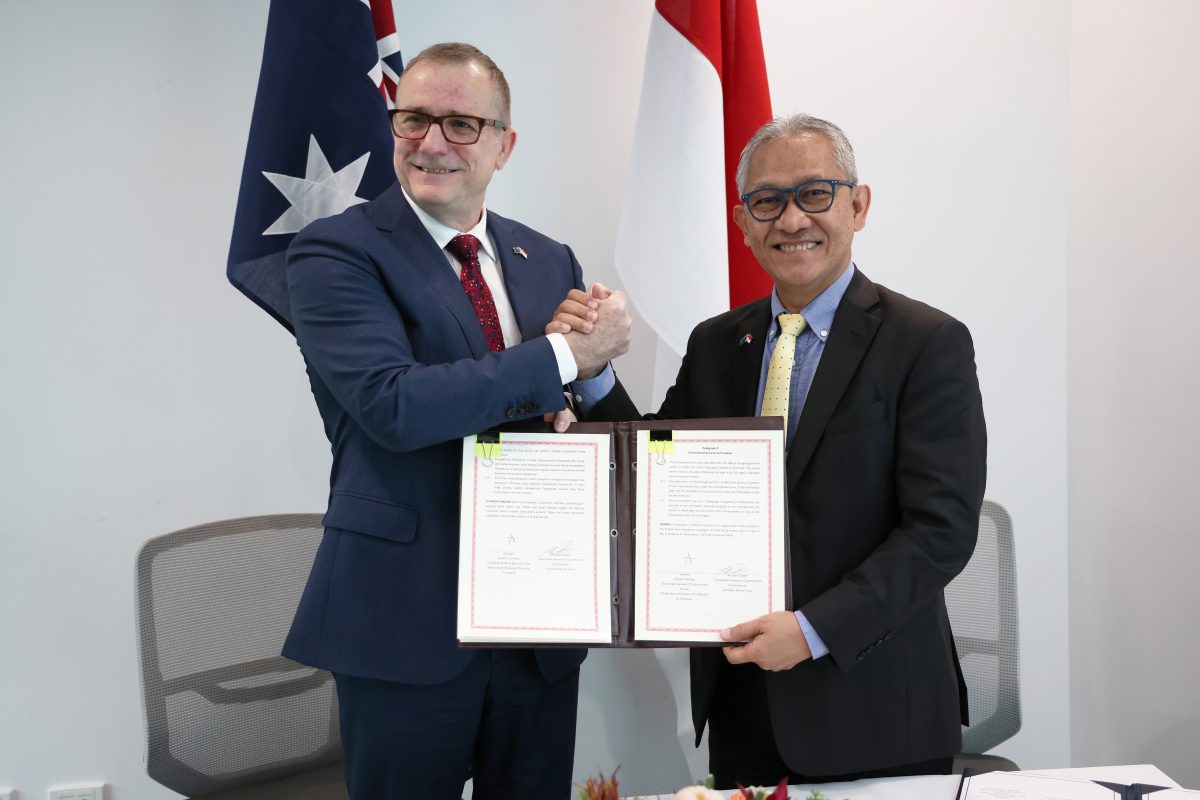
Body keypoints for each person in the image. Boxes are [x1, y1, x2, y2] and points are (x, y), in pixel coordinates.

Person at [552, 113, 986, 786]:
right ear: (742, 221)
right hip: (743, 702)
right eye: (768, 201)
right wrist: (593, 370)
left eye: (815, 193)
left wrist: (812, 630)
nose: (791, 220)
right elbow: (651, 473)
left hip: (873, 707)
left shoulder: (926, 343)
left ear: (858, 204)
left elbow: (941, 531)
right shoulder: (717, 343)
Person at [281, 42, 632, 799]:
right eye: (413, 119)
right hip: (403, 620)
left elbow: (583, 413)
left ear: (506, 144)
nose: (432, 142)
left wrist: (594, 369)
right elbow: (396, 406)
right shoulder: (333, 254)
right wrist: (565, 356)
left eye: (462, 124)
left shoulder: (549, 259)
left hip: (539, 619)